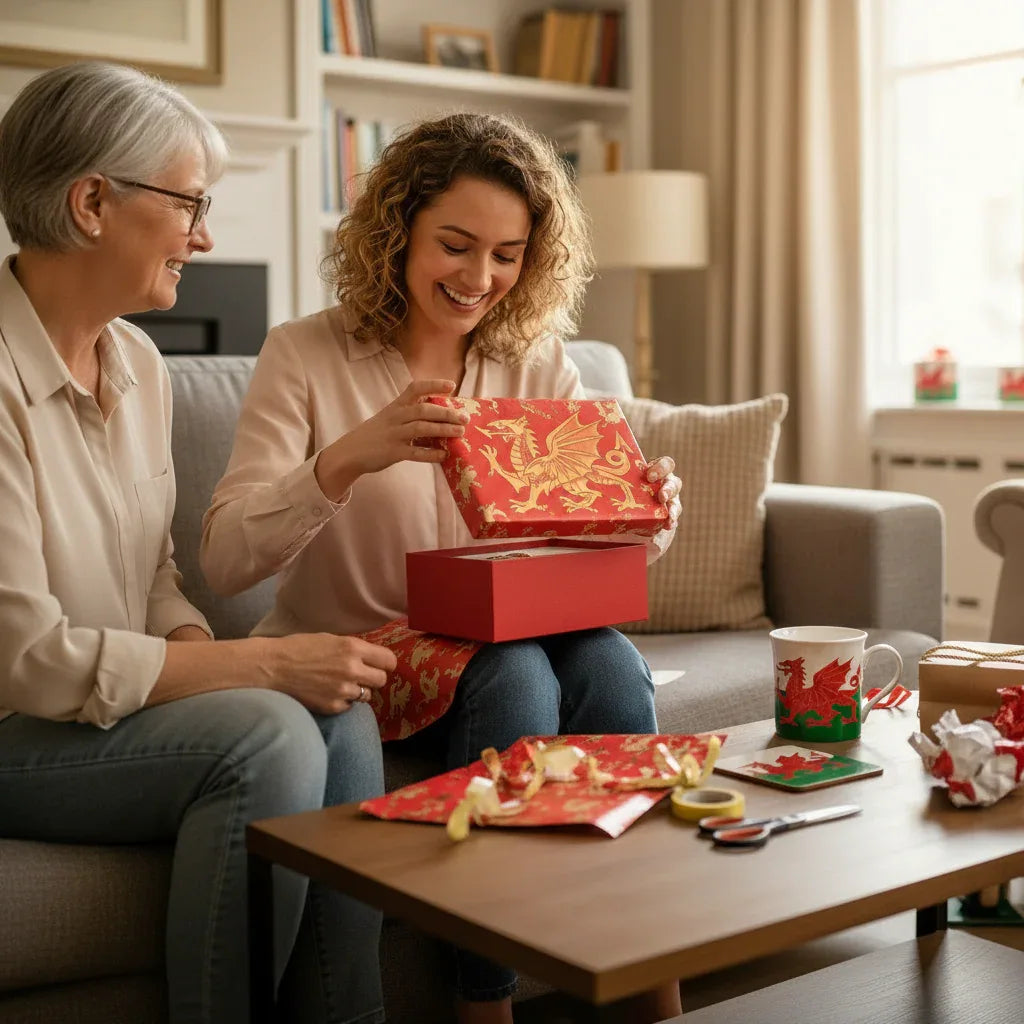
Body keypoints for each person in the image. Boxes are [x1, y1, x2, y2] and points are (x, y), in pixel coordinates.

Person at [200, 111, 684, 1024]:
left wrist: (641, 509)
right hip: (360, 656)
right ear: (399, 232)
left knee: (613, 663)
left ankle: (645, 974)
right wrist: (346, 458)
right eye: (455, 246)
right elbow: (225, 558)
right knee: (511, 674)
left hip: (498, 636)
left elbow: (588, 550)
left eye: (507, 255)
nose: (480, 279)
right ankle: (484, 1003)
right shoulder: (305, 354)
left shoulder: (535, 359)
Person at [0, 61, 398, 1024]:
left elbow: (156, 578)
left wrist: (202, 653)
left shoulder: (137, 360)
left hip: (98, 711)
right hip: (15, 727)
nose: (205, 236)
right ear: (92, 201)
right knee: (266, 728)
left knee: (338, 714)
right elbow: (26, 663)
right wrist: (258, 666)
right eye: (189, 203)